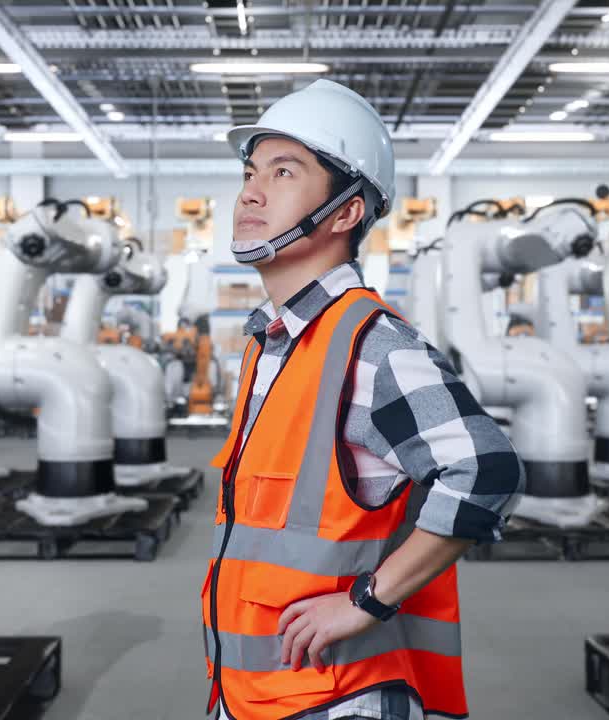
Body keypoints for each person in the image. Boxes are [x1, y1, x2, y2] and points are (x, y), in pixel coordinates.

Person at [201, 79, 525, 720]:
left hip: (337, 697)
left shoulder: (369, 346)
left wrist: (366, 602)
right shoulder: (273, 342)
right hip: (258, 693)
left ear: (346, 212)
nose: (251, 193)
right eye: (250, 171)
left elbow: (487, 469)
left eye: (284, 172)